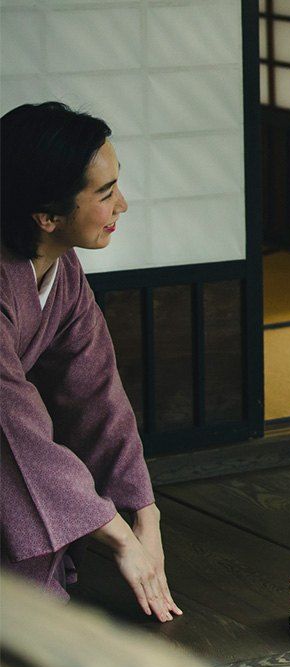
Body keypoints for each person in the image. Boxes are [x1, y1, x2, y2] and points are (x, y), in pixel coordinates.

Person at [1, 102, 181, 622]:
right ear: (47, 216)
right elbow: (13, 426)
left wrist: (145, 513)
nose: (122, 204)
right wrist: (118, 537)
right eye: (105, 193)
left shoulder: (62, 268)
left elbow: (95, 393)